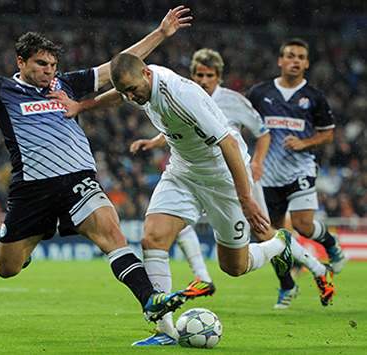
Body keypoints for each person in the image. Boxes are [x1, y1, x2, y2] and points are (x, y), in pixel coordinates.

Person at [0, 7, 195, 323]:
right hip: (32, 189)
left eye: (53, 65)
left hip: (77, 179)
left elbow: (115, 67)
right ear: (21, 62)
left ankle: (149, 300)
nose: (49, 71)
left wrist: (161, 33)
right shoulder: (0, 89)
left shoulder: (67, 84)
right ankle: (40, 233)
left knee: (112, 234)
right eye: (41, 64)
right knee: (8, 269)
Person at [48, 52, 296, 346]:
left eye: (133, 90)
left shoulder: (180, 95)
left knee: (234, 267)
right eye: (126, 91)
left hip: (223, 177)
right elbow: (118, 93)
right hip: (183, 171)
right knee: (152, 238)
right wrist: (83, 105)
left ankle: (280, 243)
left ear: (147, 76)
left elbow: (229, 142)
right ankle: (165, 330)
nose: (131, 97)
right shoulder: (137, 82)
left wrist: (246, 198)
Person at [130, 48, 334, 312]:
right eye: (199, 74)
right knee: (239, 252)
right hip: (194, 173)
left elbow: (263, 133)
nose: (204, 80)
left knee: (262, 233)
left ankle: (316, 269)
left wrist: (258, 162)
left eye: (209, 75)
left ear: (219, 77)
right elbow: (180, 128)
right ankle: (295, 276)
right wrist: (155, 140)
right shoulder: (176, 94)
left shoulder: (233, 101)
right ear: (192, 75)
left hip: (237, 175)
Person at [247, 38, 343, 309]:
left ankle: (329, 244)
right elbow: (245, 122)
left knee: (301, 225)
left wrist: (305, 142)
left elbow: (328, 134)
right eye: (290, 55)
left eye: (300, 56)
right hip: (266, 174)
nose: (295, 60)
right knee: (270, 236)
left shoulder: (314, 97)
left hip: (300, 168)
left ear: (307, 63)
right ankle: (287, 285)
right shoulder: (259, 93)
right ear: (280, 60)